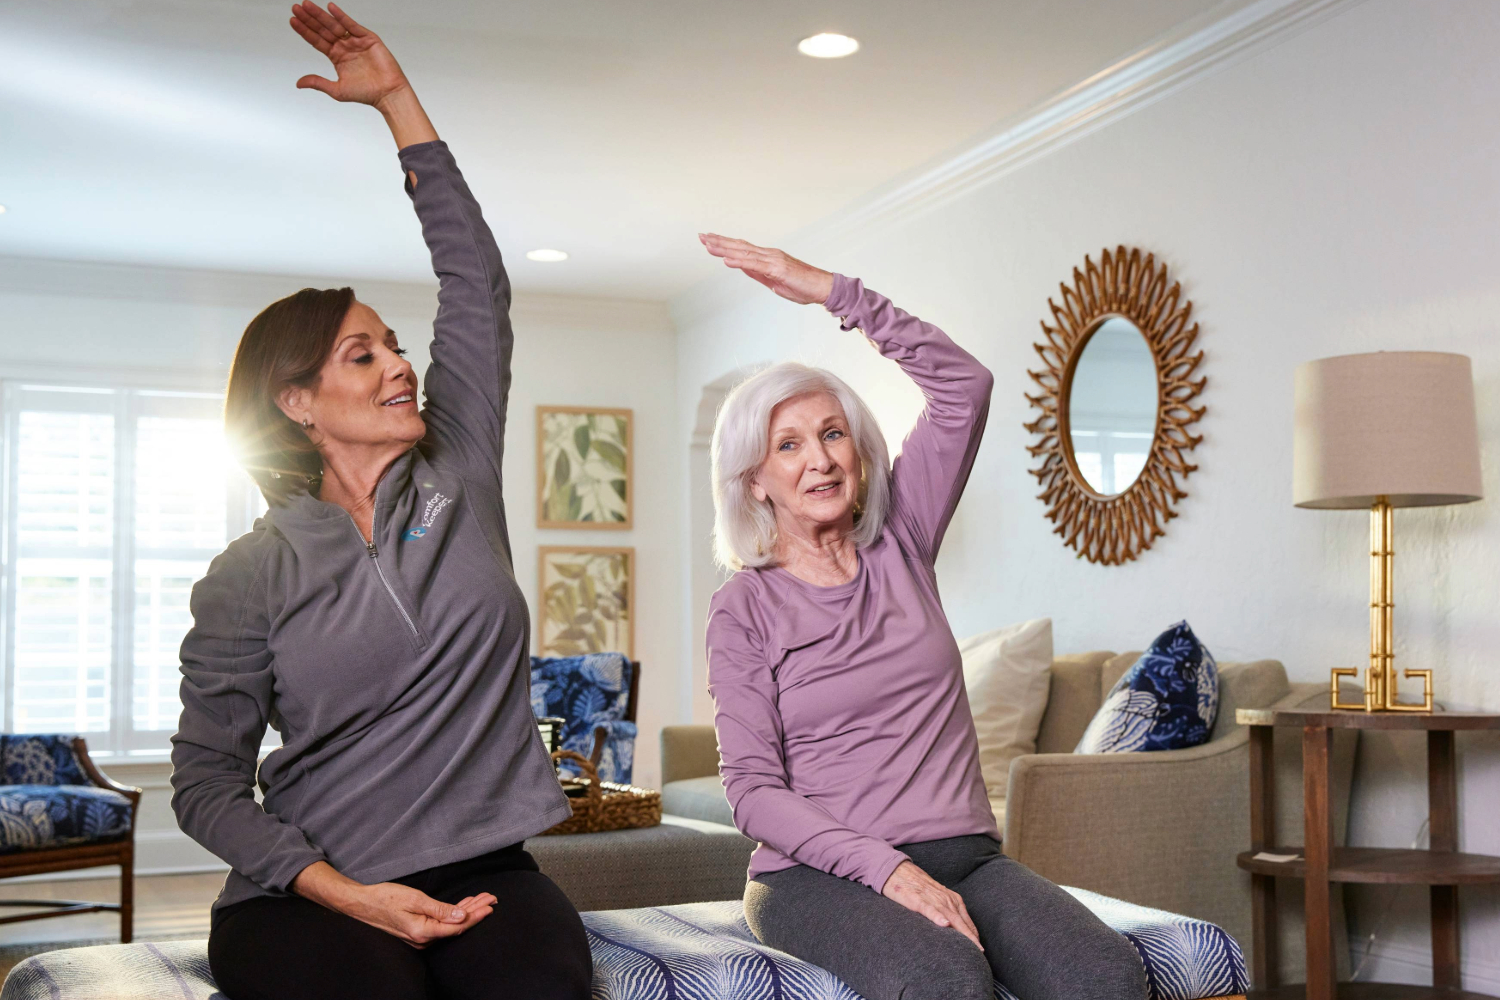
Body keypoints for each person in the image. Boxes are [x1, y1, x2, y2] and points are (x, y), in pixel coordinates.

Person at [169, 5, 592, 999]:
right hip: (307, 892)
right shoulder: (249, 576)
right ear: (298, 402)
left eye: (396, 344)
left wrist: (398, 103)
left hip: (488, 872)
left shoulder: (460, 474)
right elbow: (206, 786)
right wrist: (350, 894)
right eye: (364, 355)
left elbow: (476, 286)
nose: (401, 366)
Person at [701, 234, 1151, 1000]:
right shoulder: (744, 606)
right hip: (813, 878)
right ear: (755, 480)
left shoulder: (901, 540)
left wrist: (832, 292)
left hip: (967, 856)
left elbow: (964, 385)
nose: (821, 459)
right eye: (789, 445)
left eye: (833, 433)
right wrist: (889, 869)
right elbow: (751, 792)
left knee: (1106, 978)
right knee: (944, 981)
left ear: (860, 449)